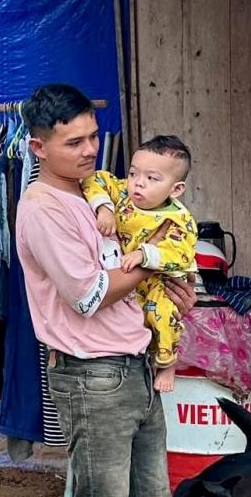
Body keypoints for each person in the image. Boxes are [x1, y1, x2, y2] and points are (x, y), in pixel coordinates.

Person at [14, 84, 218, 497]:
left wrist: (170, 283)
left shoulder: (102, 194)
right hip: (89, 375)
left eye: (92, 138)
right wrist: (159, 271)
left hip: (136, 365)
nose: (86, 150)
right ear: (38, 146)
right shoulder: (41, 207)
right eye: (72, 142)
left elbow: (162, 259)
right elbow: (89, 292)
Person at [81, 136, 199, 394]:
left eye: (152, 179)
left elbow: (180, 252)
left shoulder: (178, 218)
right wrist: (104, 209)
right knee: (136, 319)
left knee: (164, 315)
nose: (138, 183)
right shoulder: (123, 192)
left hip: (160, 281)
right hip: (127, 281)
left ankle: (167, 362)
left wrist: (146, 255)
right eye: (134, 173)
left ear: (175, 189)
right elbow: (95, 179)